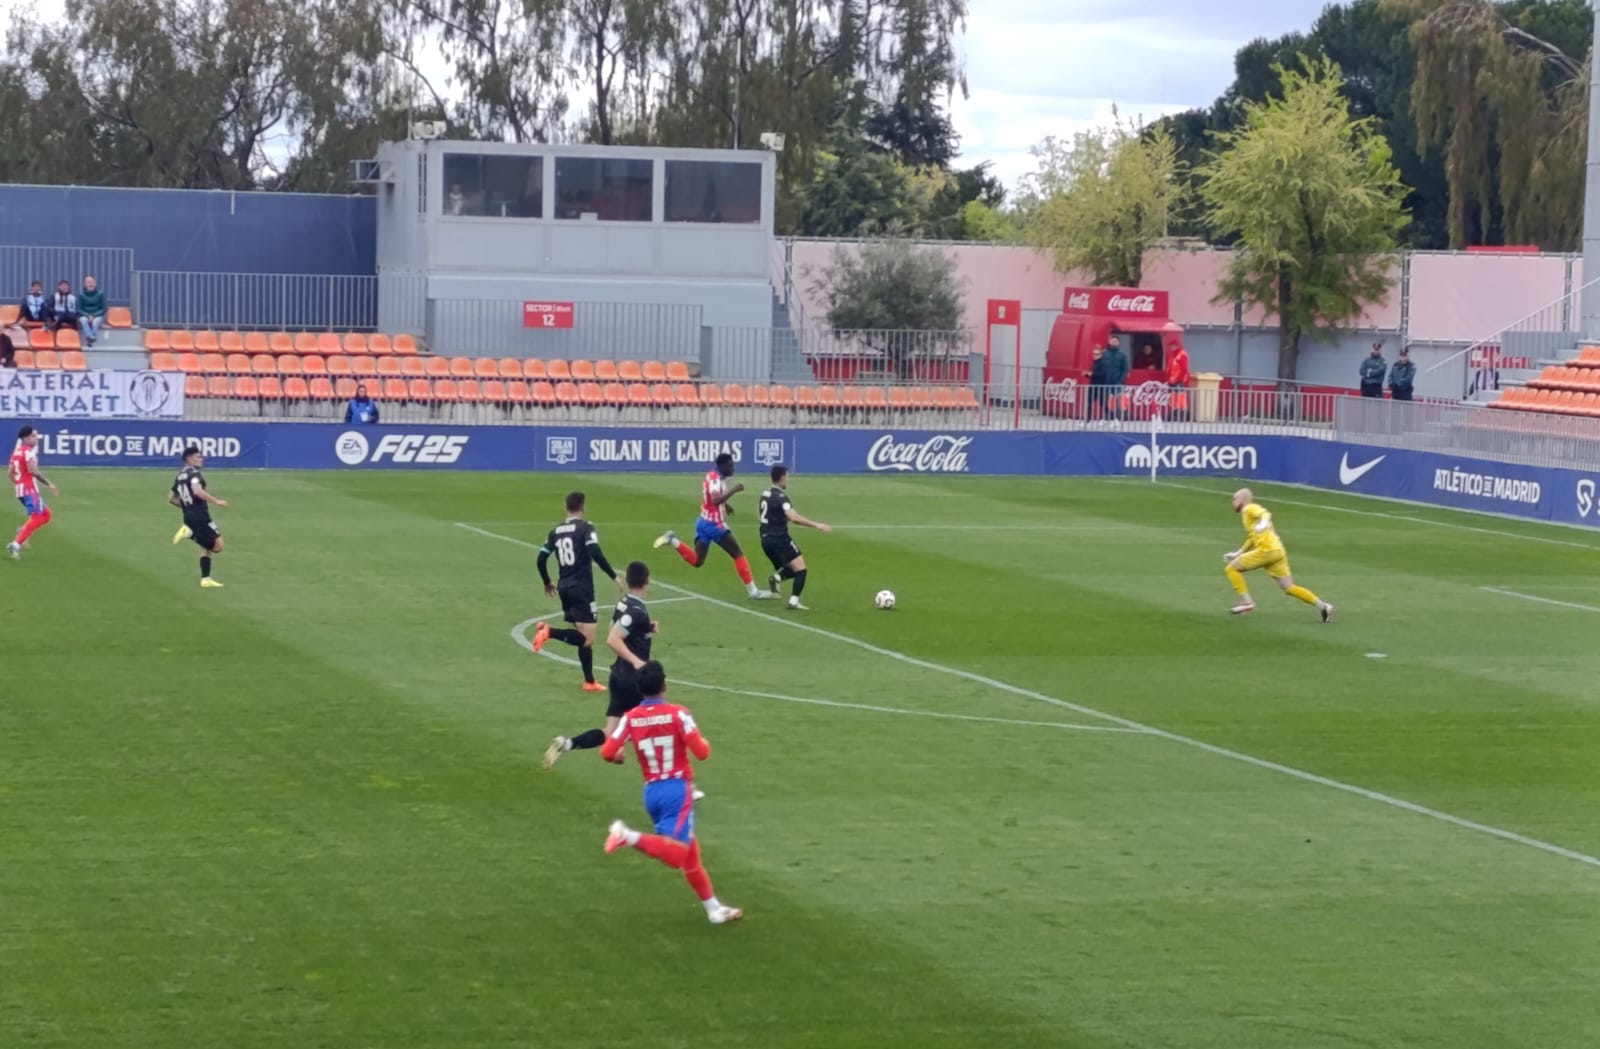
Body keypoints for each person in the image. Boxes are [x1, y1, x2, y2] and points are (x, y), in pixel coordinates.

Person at [600, 660, 742, 925]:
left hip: (651, 791)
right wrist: (705, 743)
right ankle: (626, 835)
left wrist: (618, 757)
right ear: (664, 685)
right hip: (677, 789)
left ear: (640, 690)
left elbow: (608, 751)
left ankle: (714, 908)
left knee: (690, 855)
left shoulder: (631, 717)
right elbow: (702, 752)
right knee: (677, 854)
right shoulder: (678, 714)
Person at [544, 560, 658, 768]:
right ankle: (679, 781)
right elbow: (612, 638)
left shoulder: (625, 602)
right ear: (647, 581)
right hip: (634, 680)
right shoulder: (636, 611)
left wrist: (647, 628)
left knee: (610, 732)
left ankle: (567, 743)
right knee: (659, 723)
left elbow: (616, 625)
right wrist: (638, 662)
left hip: (618, 677)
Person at [533, 490, 625, 692]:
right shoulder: (586, 527)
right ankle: (548, 631)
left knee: (584, 638)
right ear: (583, 507)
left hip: (564, 587)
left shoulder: (555, 531)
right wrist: (613, 576)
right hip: (581, 588)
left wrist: (547, 582)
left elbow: (540, 559)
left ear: (566, 507)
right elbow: (594, 551)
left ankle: (589, 681)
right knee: (587, 639)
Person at [653, 452, 773, 599]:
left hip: (702, 522)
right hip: (714, 525)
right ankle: (753, 591)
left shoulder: (712, 475)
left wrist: (726, 505)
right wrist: (734, 490)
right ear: (722, 466)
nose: (733, 468)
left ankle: (672, 540)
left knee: (697, 561)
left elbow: (712, 498)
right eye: (730, 466)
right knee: (737, 553)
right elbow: (715, 500)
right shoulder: (716, 480)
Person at [1223, 488, 1333, 621]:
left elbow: (1265, 514)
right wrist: (1238, 552)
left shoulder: (1249, 508)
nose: (1233, 502)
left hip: (1267, 550)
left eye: (1235, 499)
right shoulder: (1248, 516)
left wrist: (1264, 523)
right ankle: (1323, 606)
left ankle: (1247, 602)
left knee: (1231, 569)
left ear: (1243, 500)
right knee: (1288, 587)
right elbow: (1253, 537)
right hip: (1278, 551)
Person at [759, 464, 832, 610]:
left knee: (791, 568)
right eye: (787, 476)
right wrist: (817, 525)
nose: (788, 479)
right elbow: (793, 518)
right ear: (782, 477)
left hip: (765, 539)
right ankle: (794, 601)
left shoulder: (765, 493)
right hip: (779, 538)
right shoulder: (781, 497)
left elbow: (772, 514)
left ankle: (778, 578)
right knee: (801, 569)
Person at [170, 445, 229, 588]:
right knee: (218, 546)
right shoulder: (194, 474)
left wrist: (186, 506)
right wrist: (217, 501)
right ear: (189, 459)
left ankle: (206, 579)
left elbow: (171, 498)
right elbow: (197, 491)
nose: (201, 459)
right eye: (198, 457)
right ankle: (189, 534)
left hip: (189, 515)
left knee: (205, 547)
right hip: (200, 516)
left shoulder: (180, 475)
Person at [8, 425, 58, 559]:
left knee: (46, 515)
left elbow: (10, 472)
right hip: (30, 489)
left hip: (21, 490)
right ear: (26, 438)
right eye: (34, 436)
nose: (36, 438)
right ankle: (16, 543)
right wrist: (49, 483)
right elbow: (33, 471)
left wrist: (19, 484)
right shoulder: (28, 452)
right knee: (37, 516)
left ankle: (23, 531)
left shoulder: (16, 453)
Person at [1102, 334, 1129, 418]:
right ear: (1109, 342)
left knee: (1119, 402)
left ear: (1119, 343)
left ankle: (1117, 418)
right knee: (1106, 401)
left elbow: (1125, 369)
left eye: (1115, 341)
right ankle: (1107, 418)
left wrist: (1121, 380)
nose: (1114, 343)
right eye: (1112, 341)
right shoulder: (1104, 354)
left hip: (1117, 383)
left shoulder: (1122, 355)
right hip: (1105, 383)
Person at [77, 276, 107, 345]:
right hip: (85, 315)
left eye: (92, 282)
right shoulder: (81, 295)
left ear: (95, 283)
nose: (90, 284)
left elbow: (104, 308)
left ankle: (90, 338)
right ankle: (91, 337)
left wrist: (93, 316)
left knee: (95, 322)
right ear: (85, 284)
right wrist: (88, 316)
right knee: (83, 320)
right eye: (88, 282)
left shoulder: (101, 294)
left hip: (98, 315)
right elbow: (79, 309)